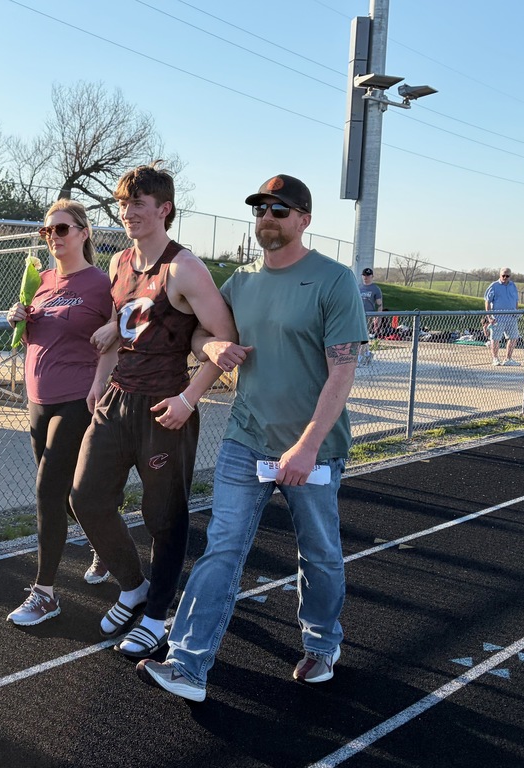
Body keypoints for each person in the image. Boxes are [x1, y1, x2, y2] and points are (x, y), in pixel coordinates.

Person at [137, 174, 365, 702]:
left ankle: (322, 644)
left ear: (304, 220)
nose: (267, 217)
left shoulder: (333, 281)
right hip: (245, 440)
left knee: (319, 554)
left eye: (279, 210)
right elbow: (203, 331)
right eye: (261, 209)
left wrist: (308, 445)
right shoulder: (240, 282)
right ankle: (187, 664)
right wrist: (211, 349)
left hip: (313, 449)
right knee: (221, 548)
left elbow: (342, 371)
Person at [70, 163, 237, 659]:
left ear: (164, 209)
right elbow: (117, 331)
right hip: (117, 399)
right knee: (86, 498)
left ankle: (158, 613)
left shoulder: (184, 267)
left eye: (137, 204)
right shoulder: (120, 261)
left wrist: (189, 399)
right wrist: (98, 382)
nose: (127, 213)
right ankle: (133, 586)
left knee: (163, 515)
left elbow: (224, 340)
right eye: (123, 204)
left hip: (166, 405)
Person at [4, 200, 116, 626]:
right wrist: (18, 317)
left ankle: (45, 593)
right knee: (67, 495)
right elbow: (35, 333)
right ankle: (106, 545)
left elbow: (120, 337)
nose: (53, 236)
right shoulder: (42, 280)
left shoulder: (102, 284)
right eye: (47, 231)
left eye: (62, 229)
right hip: (38, 398)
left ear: (84, 233)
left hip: (77, 398)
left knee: (47, 490)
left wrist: (102, 382)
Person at [484, 268, 520, 366]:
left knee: (513, 337)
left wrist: (516, 312)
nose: (505, 277)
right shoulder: (494, 286)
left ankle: (508, 358)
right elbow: (487, 301)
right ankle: (495, 358)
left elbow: (516, 300)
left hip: (511, 317)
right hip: (498, 317)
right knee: (495, 338)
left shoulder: (513, 285)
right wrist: (489, 317)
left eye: (507, 276)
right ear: (500, 275)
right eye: (503, 275)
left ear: (510, 276)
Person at [357, 267, 383, 366]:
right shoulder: (358, 287)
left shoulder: (375, 289)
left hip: (368, 315)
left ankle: (360, 357)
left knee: (363, 335)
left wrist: (378, 317)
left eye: (368, 276)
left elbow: (379, 304)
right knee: (362, 335)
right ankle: (367, 353)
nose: (366, 277)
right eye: (364, 275)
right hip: (358, 314)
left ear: (372, 276)